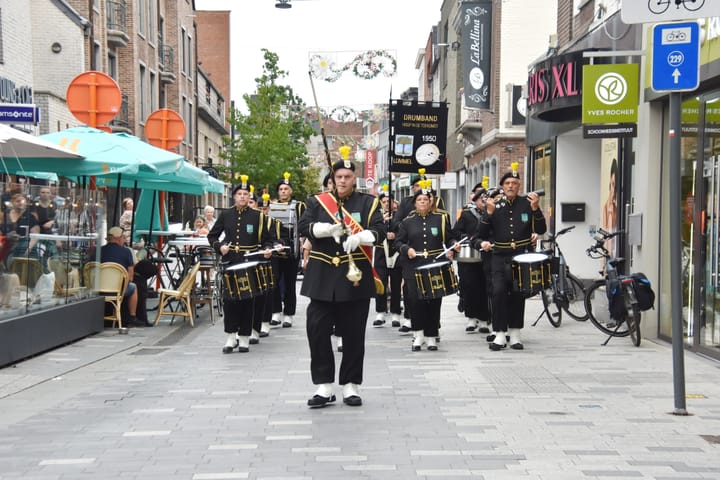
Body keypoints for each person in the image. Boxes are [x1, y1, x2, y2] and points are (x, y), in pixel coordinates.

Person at [298, 154, 386, 408]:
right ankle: (324, 386)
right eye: (339, 177)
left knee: (354, 334)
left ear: (354, 179)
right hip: (322, 276)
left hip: (354, 276)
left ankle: (350, 385)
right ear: (332, 179)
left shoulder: (368, 203)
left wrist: (361, 237)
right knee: (317, 330)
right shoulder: (317, 202)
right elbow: (304, 227)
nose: (343, 181)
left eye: (348, 177)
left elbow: (379, 231)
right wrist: (326, 229)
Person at [476, 164, 547, 351]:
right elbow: (481, 233)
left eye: (514, 183)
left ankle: (515, 333)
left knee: (518, 294)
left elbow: (541, 230)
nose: (511, 186)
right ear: (502, 186)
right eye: (507, 183)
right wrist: (488, 214)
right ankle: (500, 333)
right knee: (498, 293)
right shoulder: (494, 205)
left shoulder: (527, 204)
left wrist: (536, 209)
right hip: (499, 256)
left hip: (520, 256)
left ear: (519, 186)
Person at [207, 176, 277, 354]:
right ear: (234, 196)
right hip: (230, 260)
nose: (243, 197)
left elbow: (268, 240)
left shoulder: (258, 216)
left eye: (246, 194)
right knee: (230, 300)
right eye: (239, 194)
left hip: (249, 261)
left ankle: (244, 337)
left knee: (248, 300)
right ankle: (231, 336)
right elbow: (212, 236)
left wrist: (268, 249)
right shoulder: (226, 214)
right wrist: (219, 247)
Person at [394, 180, 460, 351]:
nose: (423, 202)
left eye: (426, 199)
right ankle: (418, 334)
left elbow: (449, 238)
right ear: (415, 203)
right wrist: (407, 249)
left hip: (434, 264)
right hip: (413, 266)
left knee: (433, 301)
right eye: (419, 200)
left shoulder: (441, 219)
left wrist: (454, 245)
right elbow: (398, 242)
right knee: (415, 301)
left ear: (431, 202)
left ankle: (431, 335)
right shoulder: (407, 221)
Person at [452, 180, 491, 334]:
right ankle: (470, 318)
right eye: (482, 199)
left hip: (485, 255)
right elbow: (456, 231)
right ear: (475, 201)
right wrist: (464, 237)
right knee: (469, 287)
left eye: (486, 199)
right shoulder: (467, 214)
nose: (484, 202)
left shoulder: (491, 214)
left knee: (484, 287)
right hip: (468, 257)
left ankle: (483, 320)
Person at [270, 172, 306, 328]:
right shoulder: (272, 206)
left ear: (290, 191)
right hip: (275, 249)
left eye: (286, 189)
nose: (283, 191)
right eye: (281, 189)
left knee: (290, 283)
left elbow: (304, 224)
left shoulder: (299, 206)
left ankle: (289, 314)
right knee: (274, 282)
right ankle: (276, 312)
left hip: (292, 249)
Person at [101, 226, 148, 327]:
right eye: (123, 238)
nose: (124, 240)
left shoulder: (99, 251)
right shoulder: (126, 252)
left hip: (99, 288)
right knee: (133, 287)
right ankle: (132, 317)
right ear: (118, 238)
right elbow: (130, 277)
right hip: (117, 289)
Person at [372, 190, 402, 328]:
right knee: (381, 283)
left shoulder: (399, 216)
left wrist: (395, 234)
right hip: (380, 254)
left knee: (396, 283)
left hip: (395, 253)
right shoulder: (377, 216)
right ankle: (380, 312)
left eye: (388, 202)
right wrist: (384, 224)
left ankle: (396, 313)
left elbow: (404, 231)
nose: (386, 204)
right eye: (383, 202)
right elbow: (372, 230)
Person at [0, 193, 40, 267]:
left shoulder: (30, 217)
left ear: (26, 203)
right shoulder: (5, 215)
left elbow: (36, 235)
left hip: (23, 246)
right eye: (18, 201)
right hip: (6, 245)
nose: (20, 203)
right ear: (12, 202)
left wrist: (29, 248)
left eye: (22, 201)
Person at [602, 158, 618, 256]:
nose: (613, 189)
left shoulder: (614, 206)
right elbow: (608, 237)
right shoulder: (608, 207)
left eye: (615, 186)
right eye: (612, 184)